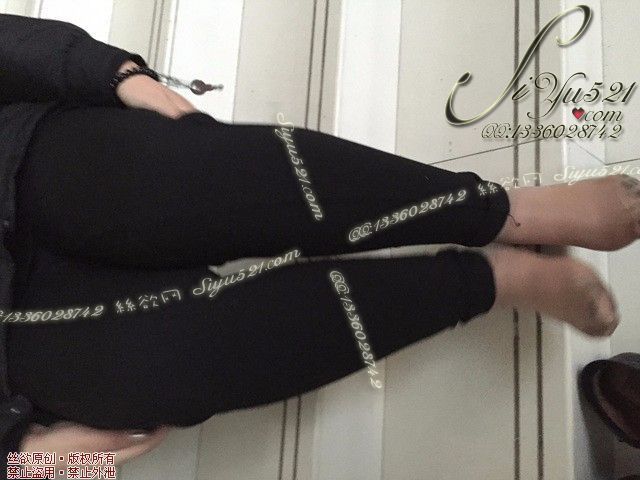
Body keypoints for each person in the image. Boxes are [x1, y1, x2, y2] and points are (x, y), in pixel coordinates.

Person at [0, 12, 638, 476]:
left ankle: (504, 213)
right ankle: (491, 283)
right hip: (13, 366)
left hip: (15, 164)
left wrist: (112, 73)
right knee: (170, 367)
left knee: (184, 175)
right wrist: (26, 462)